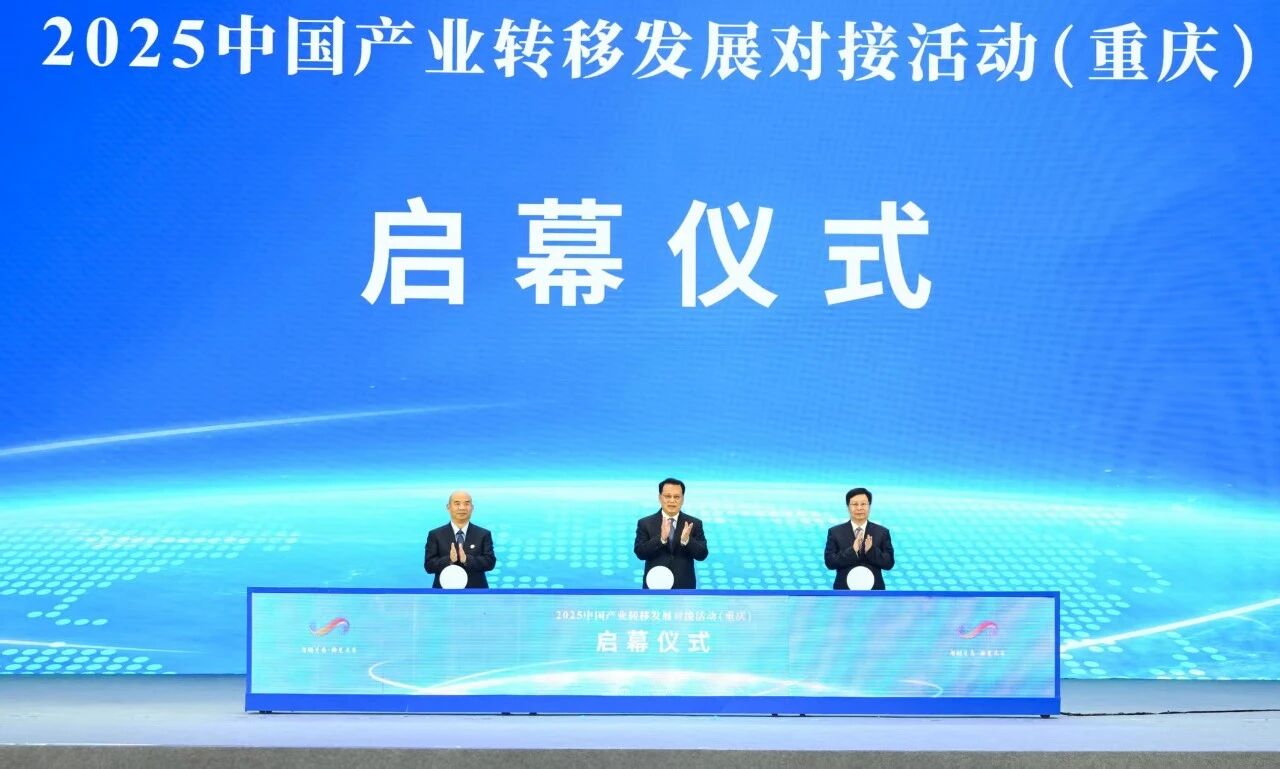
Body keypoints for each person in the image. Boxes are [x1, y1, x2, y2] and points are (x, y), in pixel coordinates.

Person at [634, 477, 708, 589]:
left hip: (684, 589)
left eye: (677, 497)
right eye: (668, 496)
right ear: (660, 498)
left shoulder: (694, 523)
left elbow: (702, 555)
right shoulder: (645, 523)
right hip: (654, 587)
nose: (672, 500)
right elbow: (640, 553)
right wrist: (661, 539)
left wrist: (687, 541)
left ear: (682, 499)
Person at [825, 487, 894, 590]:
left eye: (863, 504)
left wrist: (871, 551)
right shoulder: (835, 532)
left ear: (869, 506)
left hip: (874, 592)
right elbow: (830, 563)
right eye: (855, 504)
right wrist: (852, 551)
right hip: (844, 592)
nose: (859, 508)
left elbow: (889, 563)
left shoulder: (882, 532)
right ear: (848, 506)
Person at [424, 490, 496, 588]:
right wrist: (449, 559)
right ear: (448, 507)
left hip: (476, 592)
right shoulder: (435, 535)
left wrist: (467, 559)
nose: (462, 508)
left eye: (466, 503)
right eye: (457, 503)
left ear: (472, 507)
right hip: (443, 592)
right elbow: (429, 566)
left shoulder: (483, 534)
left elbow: (490, 563)